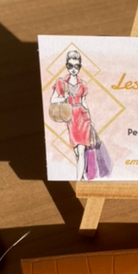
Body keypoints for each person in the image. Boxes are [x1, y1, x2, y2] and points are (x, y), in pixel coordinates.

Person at [50, 50, 91, 180]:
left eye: (76, 66)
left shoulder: (83, 84)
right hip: (71, 118)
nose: (73, 69)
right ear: (67, 66)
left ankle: (79, 180)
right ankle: (82, 176)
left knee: (81, 151)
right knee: (77, 152)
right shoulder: (61, 83)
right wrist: (64, 98)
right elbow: (53, 100)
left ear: (80, 67)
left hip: (83, 118)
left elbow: (84, 102)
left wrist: (90, 118)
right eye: (70, 66)